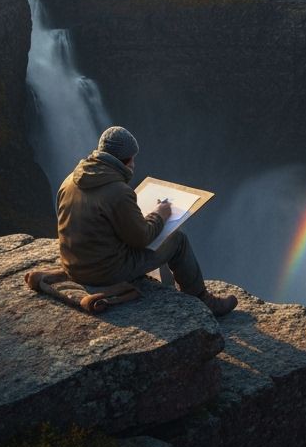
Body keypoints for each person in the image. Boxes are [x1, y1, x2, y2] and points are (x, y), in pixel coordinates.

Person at [56, 125, 237, 317]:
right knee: (178, 241)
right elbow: (142, 239)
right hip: (104, 273)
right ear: (127, 160)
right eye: (133, 158)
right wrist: (160, 214)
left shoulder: (69, 181)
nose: (134, 163)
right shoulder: (118, 191)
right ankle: (202, 299)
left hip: (73, 265)